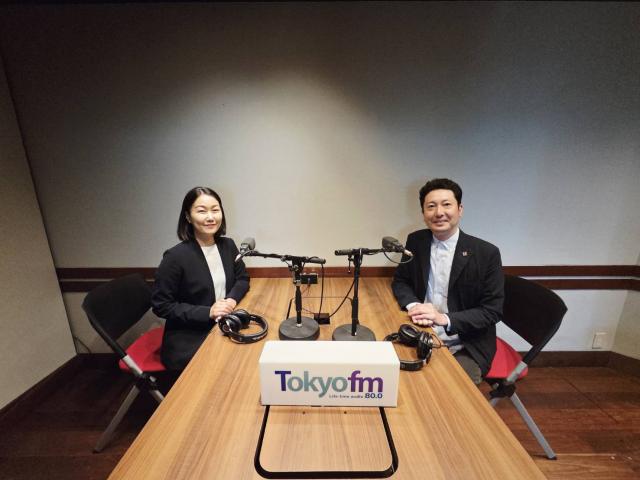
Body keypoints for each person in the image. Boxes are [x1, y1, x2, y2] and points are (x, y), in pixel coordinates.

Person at [391, 178, 503, 384]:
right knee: (394, 376)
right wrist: (415, 307)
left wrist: (444, 318)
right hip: (420, 330)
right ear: (423, 213)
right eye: (431, 206)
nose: (439, 212)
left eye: (446, 204)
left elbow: (492, 311)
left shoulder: (486, 253)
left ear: (460, 209)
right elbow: (401, 280)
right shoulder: (416, 241)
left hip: (466, 343)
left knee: (450, 391)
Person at [152, 187, 250, 370]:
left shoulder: (228, 245)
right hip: (190, 334)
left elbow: (242, 279)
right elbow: (161, 305)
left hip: (225, 323)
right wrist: (208, 312)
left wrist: (230, 300)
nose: (210, 217)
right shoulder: (174, 257)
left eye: (215, 210)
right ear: (188, 217)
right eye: (202, 211)